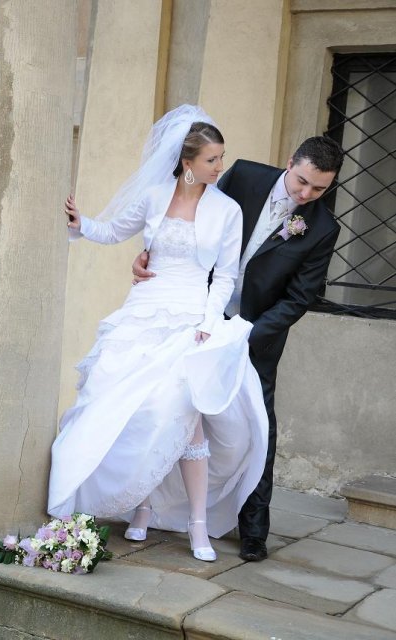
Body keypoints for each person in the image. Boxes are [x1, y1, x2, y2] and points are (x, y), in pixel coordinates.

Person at [48, 105, 269, 563]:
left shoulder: (227, 210)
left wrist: (207, 323)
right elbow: (113, 231)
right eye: (211, 159)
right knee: (137, 413)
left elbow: (226, 277)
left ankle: (198, 524)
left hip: (191, 318)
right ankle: (142, 508)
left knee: (185, 418)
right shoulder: (153, 196)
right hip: (142, 313)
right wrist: (80, 223)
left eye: (221, 157)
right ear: (187, 162)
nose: (220, 166)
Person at [132, 135, 345, 562]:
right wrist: (149, 254)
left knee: (258, 424)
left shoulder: (323, 228)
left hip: (256, 334)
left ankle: (253, 529)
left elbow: (299, 298)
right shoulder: (244, 175)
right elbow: (191, 213)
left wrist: (244, 335)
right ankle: (145, 501)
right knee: (168, 401)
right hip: (195, 311)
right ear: (290, 162)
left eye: (319, 189)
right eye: (302, 181)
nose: (306, 194)